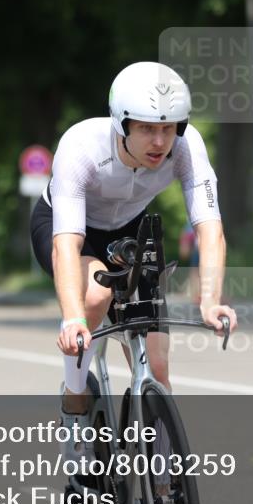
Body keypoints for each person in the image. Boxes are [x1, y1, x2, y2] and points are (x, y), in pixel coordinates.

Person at [29, 61, 238, 464]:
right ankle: (74, 401)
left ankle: (163, 472)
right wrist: (73, 318)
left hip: (130, 230)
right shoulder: (81, 146)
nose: (160, 141)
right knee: (93, 299)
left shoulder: (187, 145)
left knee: (158, 369)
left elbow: (211, 229)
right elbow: (66, 244)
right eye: (146, 128)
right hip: (72, 228)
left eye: (169, 127)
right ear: (122, 123)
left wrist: (210, 300)